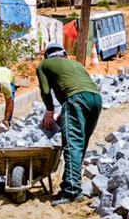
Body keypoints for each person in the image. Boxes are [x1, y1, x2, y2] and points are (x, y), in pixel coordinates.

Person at [37, 42, 102, 205]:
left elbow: (45, 91)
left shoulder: (44, 65)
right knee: (80, 143)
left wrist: (50, 111)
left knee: (72, 144)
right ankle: (70, 183)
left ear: (47, 56)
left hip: (76, 99)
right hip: (95, 99)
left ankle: (72, 191)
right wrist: (64, 115)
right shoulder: (76, 64)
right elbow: (77, 86)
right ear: (64, 55)